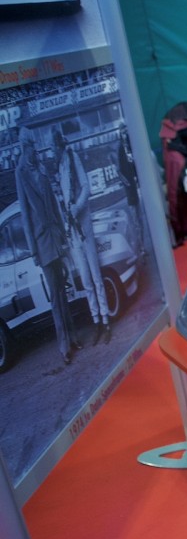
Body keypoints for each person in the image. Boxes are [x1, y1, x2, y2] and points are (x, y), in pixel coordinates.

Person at [14, 126, 77, 364]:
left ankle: (73, 337)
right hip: (42, 244)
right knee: (55, 296)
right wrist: (33, 250)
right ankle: (64, 346)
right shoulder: (21, 172)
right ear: (24, 147)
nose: (34, 150)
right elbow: (25, 214)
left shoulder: (40, 167)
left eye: (33, 146)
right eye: (31, 146)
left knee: (63, 290)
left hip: (55, 239)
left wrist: (63, 234)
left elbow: (54, 204)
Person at [54, 128, 111, 345]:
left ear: (59, 144)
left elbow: (86, 187)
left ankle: (106, 320)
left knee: (96, 275)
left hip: (84, 225)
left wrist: (76, 208)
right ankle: (96, 320)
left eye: (53, 146)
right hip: (72, 232)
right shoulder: (59, 166)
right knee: (86, 280)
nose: (52, 151)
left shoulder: (72, 157)